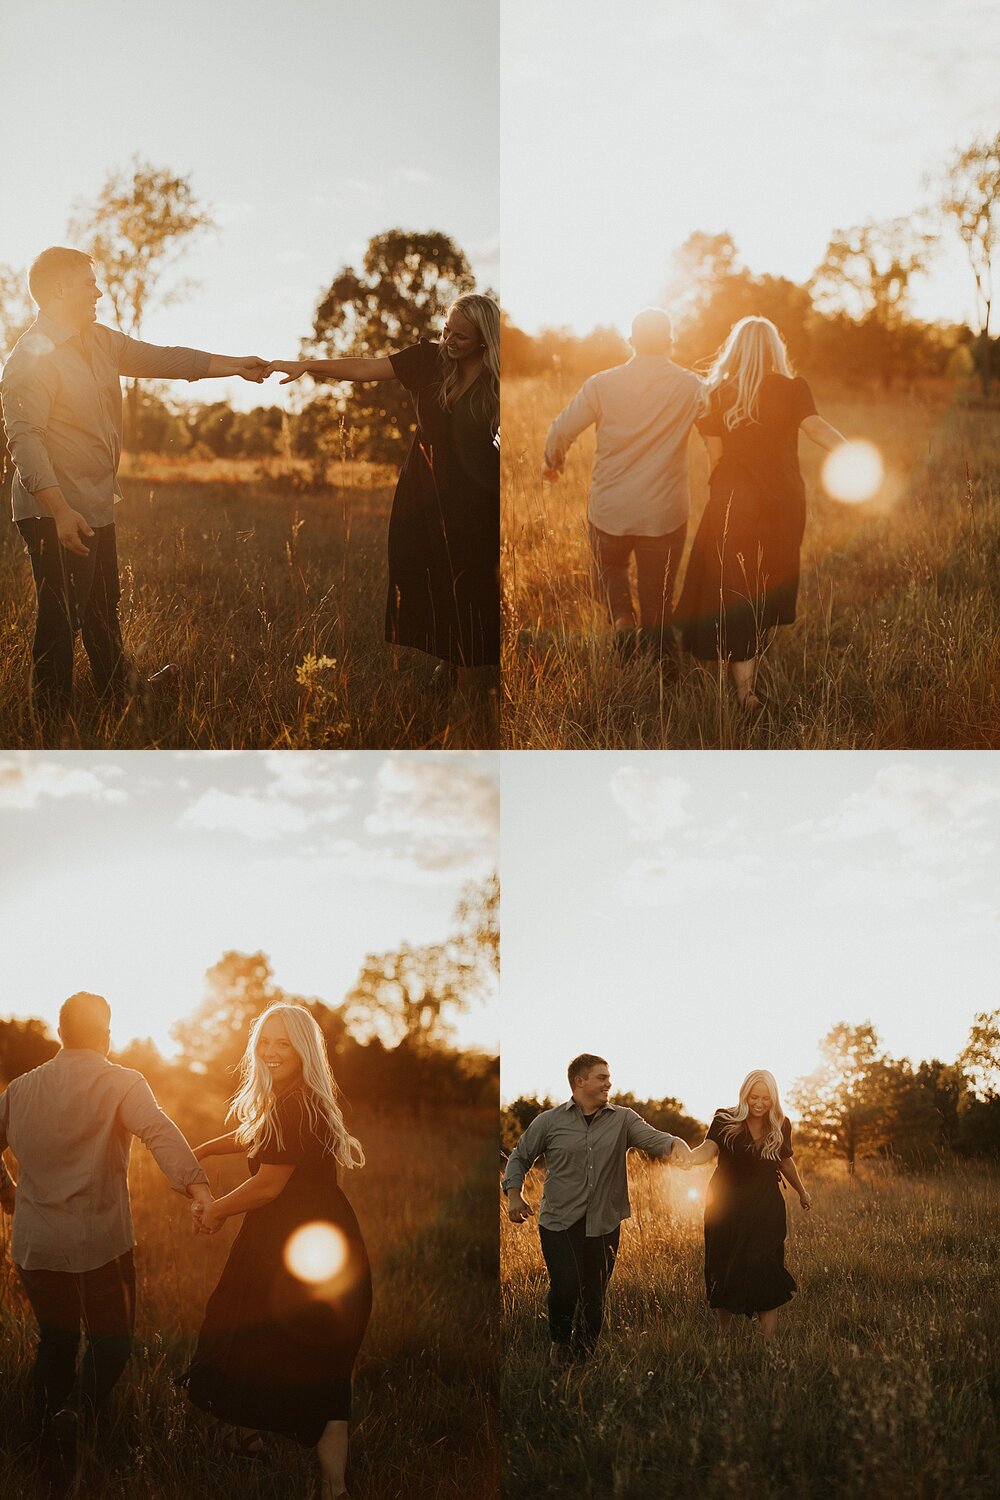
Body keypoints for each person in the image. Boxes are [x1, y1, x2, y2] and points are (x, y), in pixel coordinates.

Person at [0, 245, 271, 725]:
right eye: (89, 283)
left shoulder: (100, 341)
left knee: (104, 606)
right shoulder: (32, 357)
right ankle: (50, 721)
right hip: (54, 511)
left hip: (96, 503)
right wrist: (61, 511)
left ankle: (117, 694)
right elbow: (25, 441)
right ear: (60, 290)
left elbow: (165, 360)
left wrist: (238, 365)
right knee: (61, 616)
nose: (99, 290)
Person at [0, 992, 212, 1448]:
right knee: (111, 1344)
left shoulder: (19, 1090)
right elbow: (159, 1132)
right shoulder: (123, 1083)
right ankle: (76, 1413)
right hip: (102, 1248)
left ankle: (42, 1440)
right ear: (107, 1036)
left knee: (55, 1344)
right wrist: (199, 1190)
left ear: (60, 1033)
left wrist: (7, 1194)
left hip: (37, 1248)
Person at [268, 294, 500, 701]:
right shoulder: (427, 360)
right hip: (424, 490)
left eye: (461, 337)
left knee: (470, 582)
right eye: (447, 329)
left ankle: (469, 688)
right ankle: (450, 658)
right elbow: (365, 368)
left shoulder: (497, 380)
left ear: (485, 340)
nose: (449, 340)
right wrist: (308, 366)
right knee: (426, 572)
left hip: (476, 497)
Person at [186, 1004, 371, 1500]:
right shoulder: (289, 1100)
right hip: (295, 1240)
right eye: (265, 1041)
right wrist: (204, 1149)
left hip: (306, 1246)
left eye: (282, 1043)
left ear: (302, 1049)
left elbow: (268, 1184)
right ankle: (259, 1445)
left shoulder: (296, 1104)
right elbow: (254, 1134)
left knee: (290, 1345)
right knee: (284, 1343)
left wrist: (217, 1210)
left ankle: (331, 1486)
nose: (270, 1050)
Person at [676, 316, 845, 709]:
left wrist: (720, 497)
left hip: (732, 499)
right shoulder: (792, 388)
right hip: (783, 499)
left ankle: (743, 687)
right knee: (766, 582)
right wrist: (850, 451)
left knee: (733, 585)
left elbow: (714, 457)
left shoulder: (715, 393)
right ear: (775, 349)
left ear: (735, 349)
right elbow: (816, 428)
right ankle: (746, 686)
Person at [502, 1052, 689, 1366]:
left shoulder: (623, 1119)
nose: (609, 1083)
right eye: (601, 1077)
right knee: (566, 1286)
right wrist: (514, 1195)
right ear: (580, 1081)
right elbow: (520, 1157)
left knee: (594, 1298)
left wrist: (677, 1144)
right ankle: (560, 1342)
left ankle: (583, 1360)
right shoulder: (550, 1121)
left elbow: (655, 1139)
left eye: (608, 1077)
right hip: (559, 1221)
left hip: (604, 1222)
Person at [542, 309, 704, 670]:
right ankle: (662, 666)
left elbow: (560, 431)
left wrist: (553, 462)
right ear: (670, 342)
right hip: (663, 514)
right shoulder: (692, 386)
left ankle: (622, 622)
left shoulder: (601, 384)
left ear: (631, 342)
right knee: (657, 599)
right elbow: (717, 428)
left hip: (609, 509)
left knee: (610, 568)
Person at [675, 1069, 811, 1342]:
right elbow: (709, 1149)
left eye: (766, 1099)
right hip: (725, 1204)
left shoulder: (781, 1124)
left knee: (766, 1266)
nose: (760, 1104)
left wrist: (802, 1191)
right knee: (723, 1263)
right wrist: (690, 1158)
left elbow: (785, 1160)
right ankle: (723, 1336)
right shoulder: (724, 1118)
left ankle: (768, 1341)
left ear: (774, 1099)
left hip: (765, 1206)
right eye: (754, 1097)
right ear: (744, 1094)